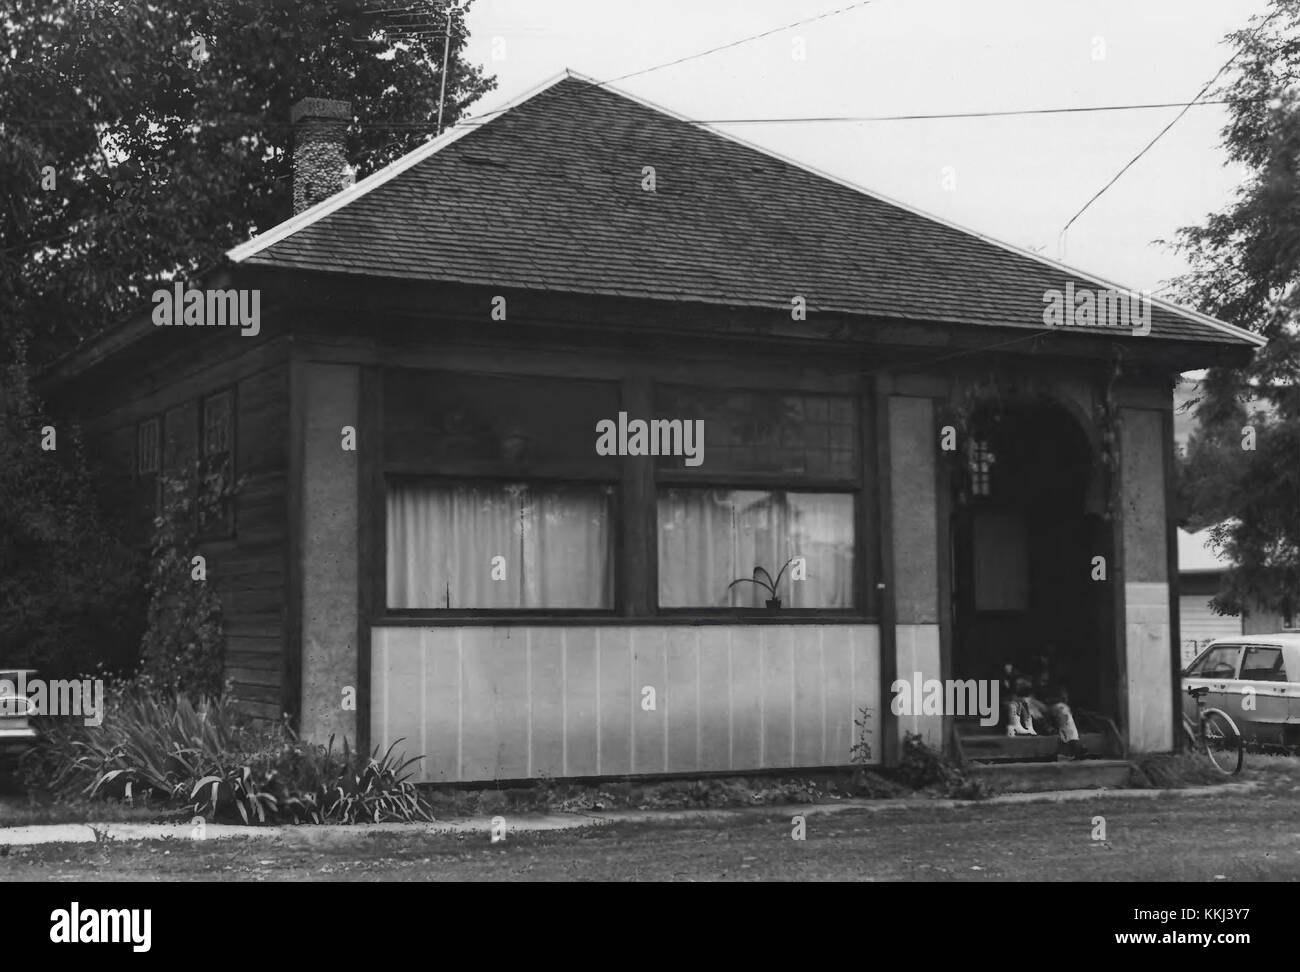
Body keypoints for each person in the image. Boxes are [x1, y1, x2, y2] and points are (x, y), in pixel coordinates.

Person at [1002, 656, 1087, 759]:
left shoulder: (1056, 676)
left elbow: (1062, 697)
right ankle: (1046, 727)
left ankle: (1073, 741)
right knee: (1026, 702)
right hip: (1038, 712)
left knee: (1063, 710)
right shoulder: (1032, 674)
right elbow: (1021, 694)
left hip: (1053, 705)